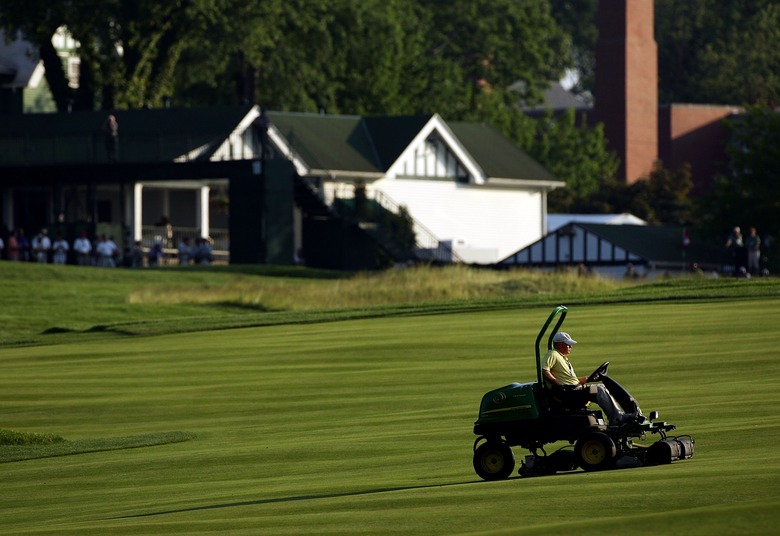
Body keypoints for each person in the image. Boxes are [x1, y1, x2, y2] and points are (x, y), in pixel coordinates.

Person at [541, 332, 642, 426]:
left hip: (572, 390)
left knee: (601, 386)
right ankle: (617, 418)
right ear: (559, 344)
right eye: (568, 344)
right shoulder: (553, 354)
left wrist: (588, 378)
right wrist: (557, 383)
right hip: (566, 393)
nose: (570, 347)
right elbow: (545, 371)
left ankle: (619, 415)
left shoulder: (562, 358)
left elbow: (573, 380)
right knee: (598, 390)